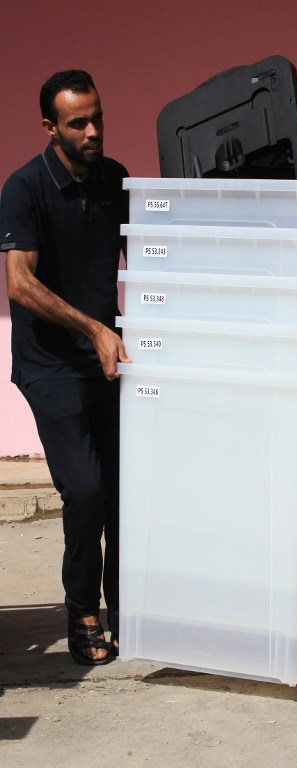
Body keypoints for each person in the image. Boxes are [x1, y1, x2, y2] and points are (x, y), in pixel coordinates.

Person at [0, 70, 131, 665]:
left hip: (108, 358)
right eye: (79, 122)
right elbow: (20, 284)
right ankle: (82, 608)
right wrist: (94, 327)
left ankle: (128, 604)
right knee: (84, 490)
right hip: (50, 364)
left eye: (98, 117)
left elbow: (151, 254)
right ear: (50, 127)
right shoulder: (24, 188)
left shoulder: (116, 179)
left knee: (127, 490)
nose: (94, 131)